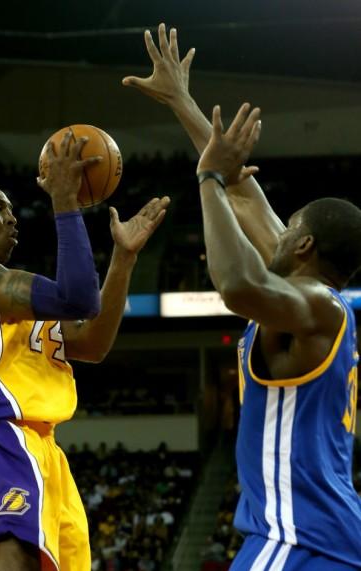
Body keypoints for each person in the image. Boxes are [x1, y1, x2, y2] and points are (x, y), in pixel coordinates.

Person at [124, 24, 361, 570]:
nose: (275, 229)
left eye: (290, 225)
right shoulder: (310, 300)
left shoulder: (317, 308)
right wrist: (182, 100)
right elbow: (245, 194)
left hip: (300, 539)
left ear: (303, 245)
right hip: (316, 537)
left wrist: (206, 176)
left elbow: (236, 285)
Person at [0, 132, 170, 570]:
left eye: (12, 210)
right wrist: (64, 199)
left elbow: (93, 343)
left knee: (31, 559)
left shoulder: (14, 293)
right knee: (12, 553)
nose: (12, 218)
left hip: (43, 447)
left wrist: (124, 259)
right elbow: (78, 299)